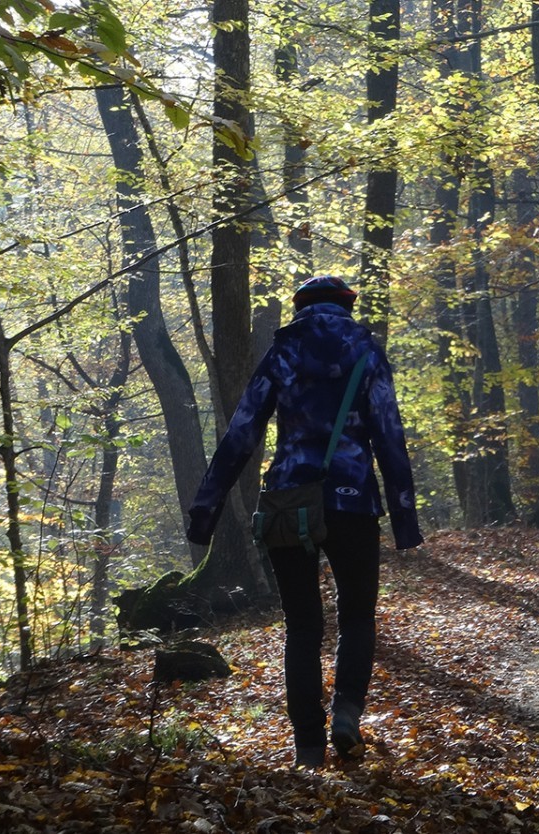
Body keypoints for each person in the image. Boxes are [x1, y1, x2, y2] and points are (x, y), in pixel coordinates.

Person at [185, 275, 424, 767]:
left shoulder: (283, 353)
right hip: (354, 501)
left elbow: (240, 435)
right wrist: (404, 519)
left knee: (302, 625)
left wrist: (206, 510)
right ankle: (347, 716)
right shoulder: (367, 352)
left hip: (289, 501)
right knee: (357, 617)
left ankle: (309, 748)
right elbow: (389, 436)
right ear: (346, 307)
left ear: (300, 308)